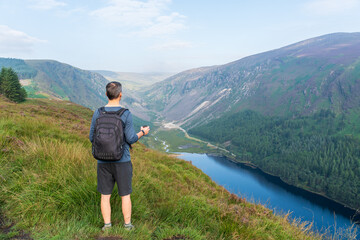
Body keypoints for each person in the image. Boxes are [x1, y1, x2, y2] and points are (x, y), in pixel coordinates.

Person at [89, 81, 150, 231]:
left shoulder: (98, 112)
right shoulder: (126, 114)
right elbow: (130, 139)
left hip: (102, 161)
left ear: (106, 94)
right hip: (122, 161)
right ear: (120, 95)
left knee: (105, 195)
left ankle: (107, 226)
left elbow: (92, 137)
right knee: (125, 195)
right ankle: (128, 226)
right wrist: (143, 132)